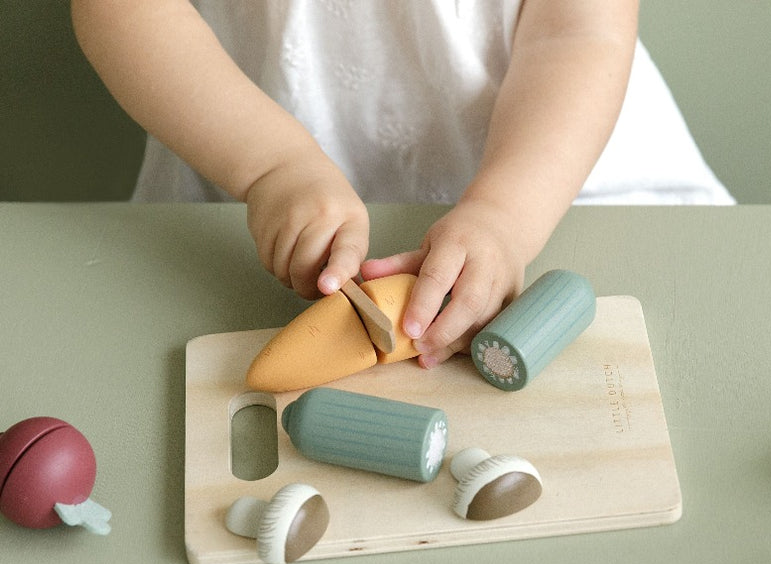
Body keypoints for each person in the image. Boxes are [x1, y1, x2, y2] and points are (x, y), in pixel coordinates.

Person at [72, 0, 732, 369]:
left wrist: (505, 217)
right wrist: (272, 166)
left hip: (556, 186)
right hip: (251, 193)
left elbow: (578, 31)